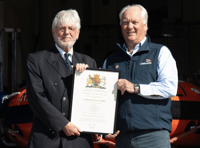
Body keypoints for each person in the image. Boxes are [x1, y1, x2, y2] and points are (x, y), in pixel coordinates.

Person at [103, 4, 178, 148]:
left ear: (145, 25)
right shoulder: (111, 60)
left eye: (134, 22)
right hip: (123, 139)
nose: (129, 26)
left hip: (153, 137)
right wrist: (105, 125)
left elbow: (170, 88)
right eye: (125, 22)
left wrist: (136, 87)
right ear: (120, 27)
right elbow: (105, 97)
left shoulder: (160, 52)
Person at [26, 9, 97, 148]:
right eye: (61, 28)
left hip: (79, 140)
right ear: (53, 32)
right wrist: (63, 124)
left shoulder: (89, 62)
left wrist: (85, 77)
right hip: (46, 139)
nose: (66, 32)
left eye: (71, 28)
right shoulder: (36, 59)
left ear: (78, 33)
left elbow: (95, 99)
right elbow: (36, 97)